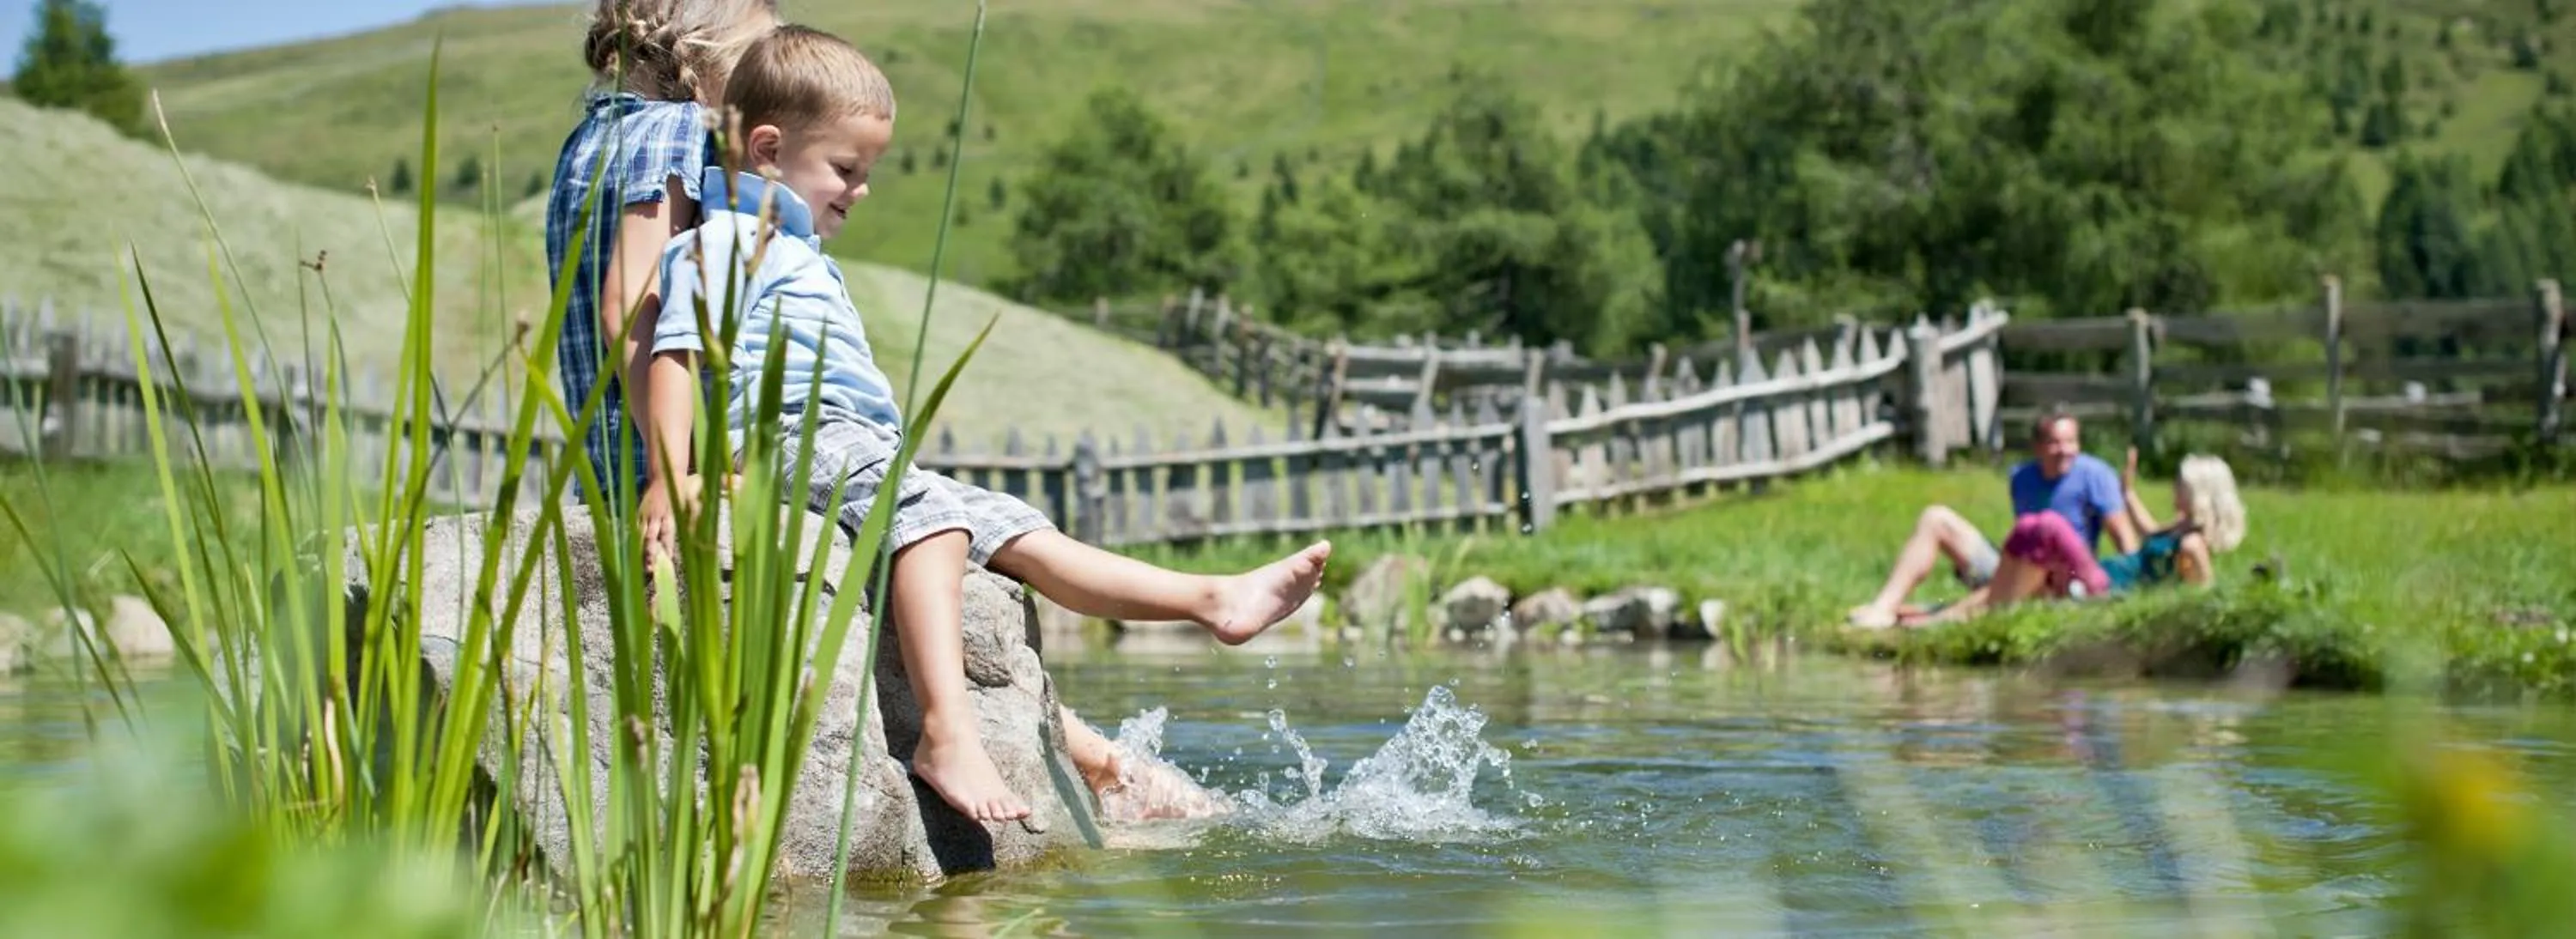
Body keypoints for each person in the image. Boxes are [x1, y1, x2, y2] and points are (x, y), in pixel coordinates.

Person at [638, 26, 1332, 822]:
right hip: (792, 433)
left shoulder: (793, 248)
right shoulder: (724, 242)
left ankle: (1211, 600)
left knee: (1014, 527)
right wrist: (670, 475)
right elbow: (677, 351)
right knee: (932, 522)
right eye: (847, 169)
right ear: (765, 149)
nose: (861, 191)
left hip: (857, 447)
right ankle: (945, 732)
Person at [545, 0, 777, 508]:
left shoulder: (589, 139)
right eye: (753, 62)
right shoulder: (683, 129)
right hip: (660, 463)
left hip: (609, 462)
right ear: (703, 51)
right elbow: (629, 302)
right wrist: (680, 469)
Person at [1847, 409, 2140, 629]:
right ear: (2037, 447)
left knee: (2023, 577)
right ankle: (1884, 607)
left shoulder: (2095, 476)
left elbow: (2125, 541)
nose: (2065, 450)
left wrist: (2125, 593)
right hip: (2020, 567)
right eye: (2054, 442)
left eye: (2071, 442)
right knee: (1935, 518)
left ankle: (1939, 619)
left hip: (2065, 579)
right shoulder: (2021, 478)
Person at [1908, 449, 2245, 625]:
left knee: (2047, 530)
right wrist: (2127, 492)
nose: (2175, 488)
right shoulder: (2180, 529)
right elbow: (2148, 532)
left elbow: (2203, 599)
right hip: (2102, 578)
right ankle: (1925, 615)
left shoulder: (2191, 545)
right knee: (2028, 584)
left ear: (2201, 493)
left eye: (2181, 485)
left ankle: (1940, 619)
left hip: (2106, 591)